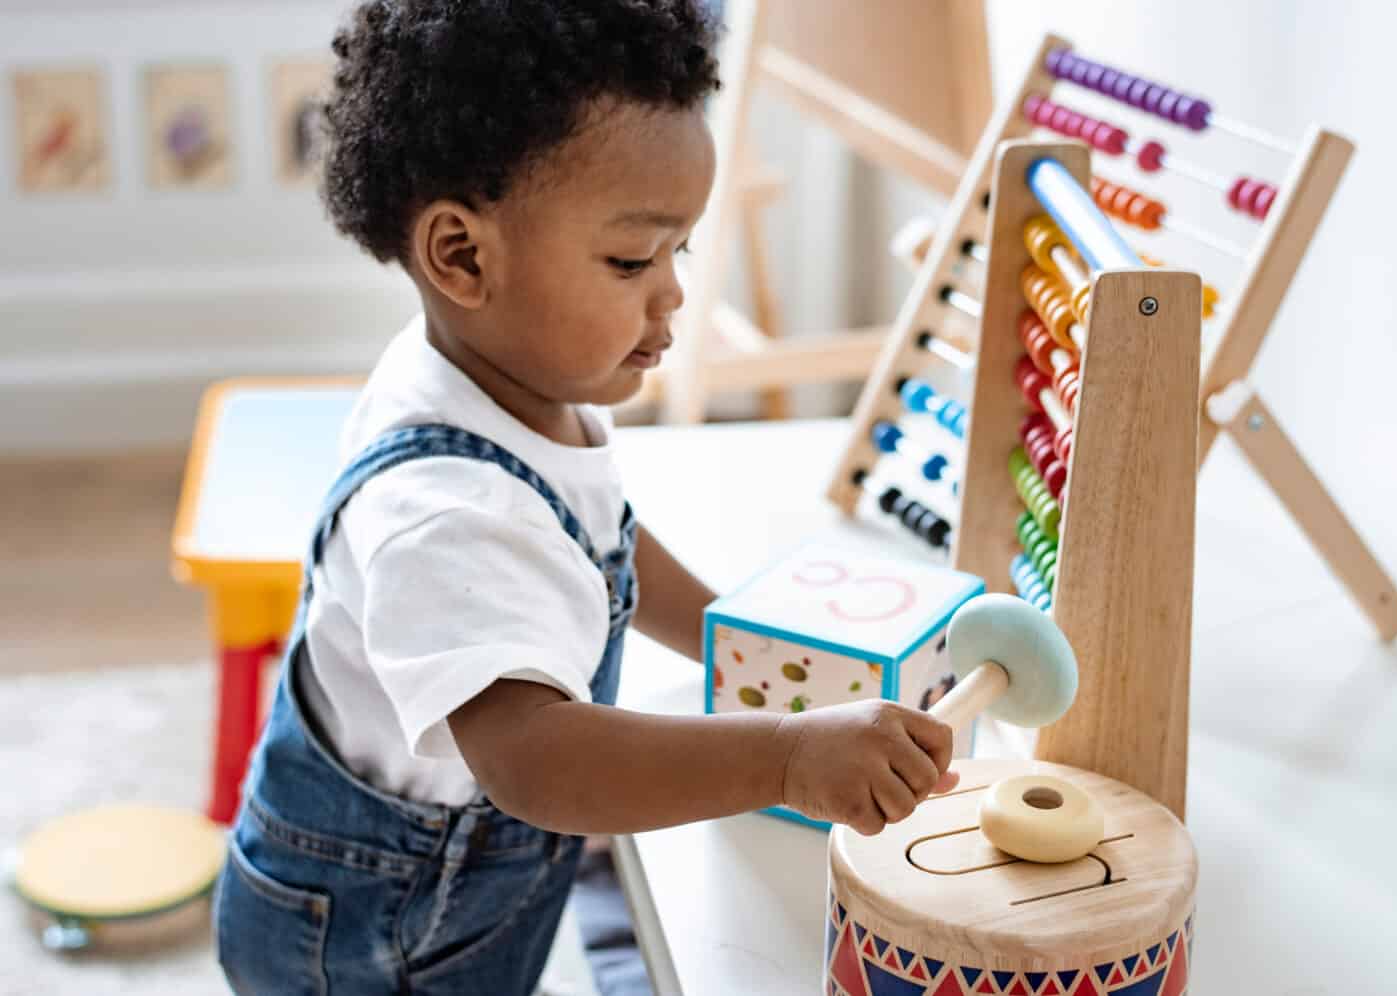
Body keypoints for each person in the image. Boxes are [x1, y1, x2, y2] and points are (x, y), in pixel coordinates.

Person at [213, 2, 958, 992]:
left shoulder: (516, 384)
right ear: (463, 256)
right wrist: (782, 758)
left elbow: (604, 542)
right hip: (366, 936)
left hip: (449, 896)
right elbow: (538, 762)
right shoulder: (444, 515)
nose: (673, 298)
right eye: (631, 260)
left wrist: (737, 638)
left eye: (679, 252)